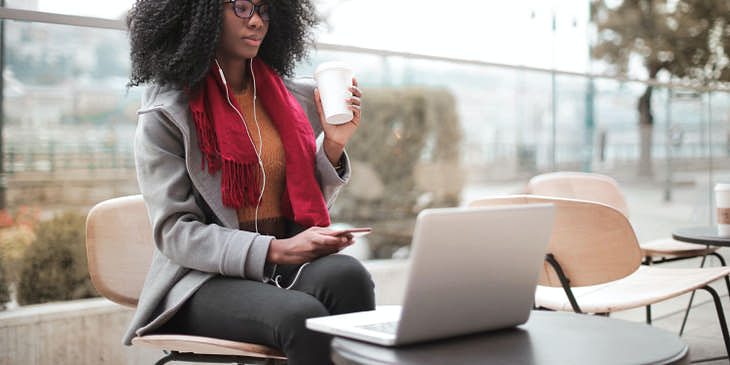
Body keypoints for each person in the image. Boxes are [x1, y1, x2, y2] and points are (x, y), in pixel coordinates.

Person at [123, 1, 375, 364]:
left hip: (278, 267)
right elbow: (175, 233)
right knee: (301, 318)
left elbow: (301, 201)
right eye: (241, 7)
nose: (256, 21)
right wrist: (275, 250)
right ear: (199, 14)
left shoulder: (289, 99)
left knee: (349, 276)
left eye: (264, 9)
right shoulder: (166, 113)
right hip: (201, 280)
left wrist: (333, 143)